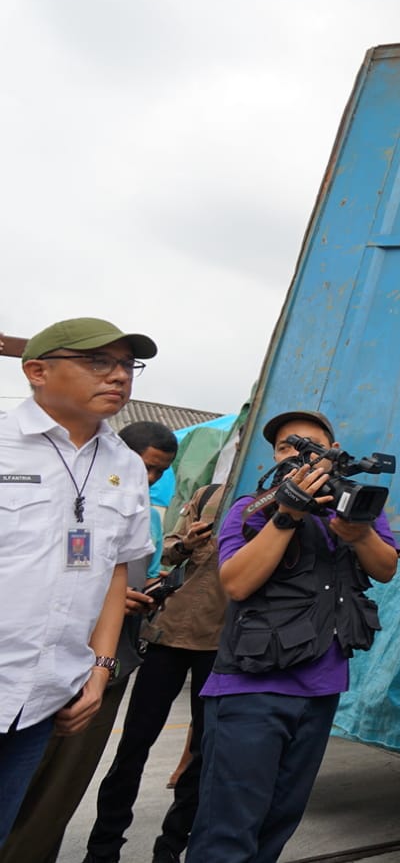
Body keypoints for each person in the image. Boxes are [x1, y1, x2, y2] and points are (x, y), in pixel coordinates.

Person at [185, 410, 399, 863]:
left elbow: (385, 568)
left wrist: (359, 534)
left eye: (309, 444)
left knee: (279, 823)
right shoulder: (250, 509)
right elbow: (237, 583)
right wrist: (287, 515)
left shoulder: (356, 505)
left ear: (333, 454)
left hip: (322, 689)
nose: (296, 453)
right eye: (286, 446)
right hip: (250, 689)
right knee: (228, 830)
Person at [0, 318, 158, 845]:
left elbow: (115, 571)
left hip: (43, 698)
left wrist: (100, 667)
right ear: (37, 371)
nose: (118, 377)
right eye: (97, 363)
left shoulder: (127, 467)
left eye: (126, 366)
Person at [82, 475, 231, 863]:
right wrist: (186, 543)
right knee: (133, 746)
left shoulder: (283, 506)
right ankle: (103, 847)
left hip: (224, 643)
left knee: (203, 754)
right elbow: (167, 553)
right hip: (169, 634)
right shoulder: (209, 495)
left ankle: (170, 847)